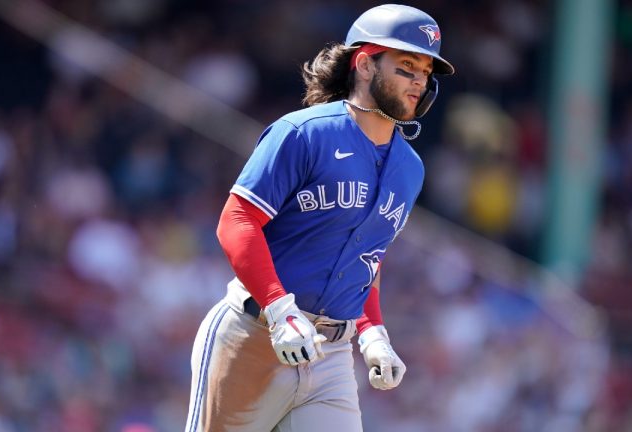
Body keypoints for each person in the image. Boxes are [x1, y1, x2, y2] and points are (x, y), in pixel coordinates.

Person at [185, 4, 454, 431]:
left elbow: (365, 255)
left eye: (426, 71)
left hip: (331, 357)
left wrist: (372, 332)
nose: (420, 81)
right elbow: (237, 220)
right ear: (364, 64)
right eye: (407, 66)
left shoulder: (411, 168)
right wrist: (278, 307)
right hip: (254, 335)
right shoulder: (303, 133)